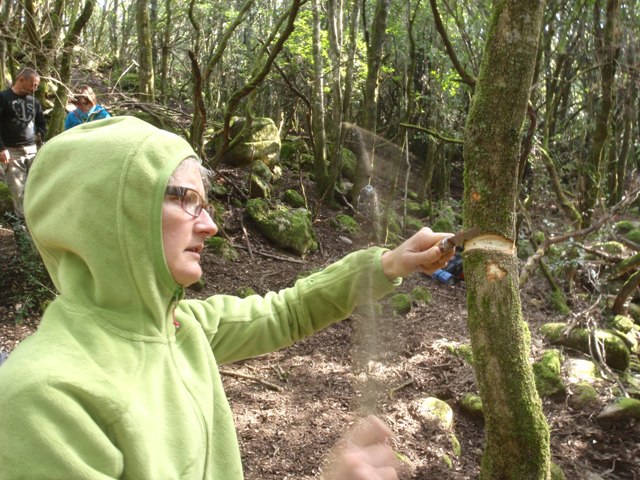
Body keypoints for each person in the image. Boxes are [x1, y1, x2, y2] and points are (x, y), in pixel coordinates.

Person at [0, 116, 454, 479]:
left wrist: (389, 264)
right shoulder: (43, 399)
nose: (210, 225)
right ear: (113, 214)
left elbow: (287, 310)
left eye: (207, 202)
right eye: (187, 200)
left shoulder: (181, 329)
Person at [0, 67, 47, 218]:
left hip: (33, 150)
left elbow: (41, 124)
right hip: (12, 152)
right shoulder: (3, 98)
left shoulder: (34, 102)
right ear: (21, 80)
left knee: (36, 188)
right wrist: (1, 149)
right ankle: (23, 227)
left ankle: (37, 221)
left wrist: (41, 137)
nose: (36, 88)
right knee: (18, 192)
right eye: (34, 84)